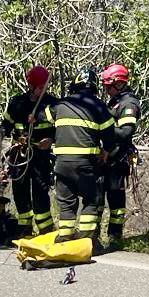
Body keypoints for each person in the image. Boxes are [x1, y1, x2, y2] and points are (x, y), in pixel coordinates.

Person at [51, 67, 115, 250]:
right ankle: (86, 242)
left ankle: (64, 239)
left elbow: (43, 117)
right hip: (86, 164)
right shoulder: (98, 106)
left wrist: (34, 118)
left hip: (62, 163)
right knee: (91, 200)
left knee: (66, 203)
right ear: (95, 87)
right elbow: (110, 135)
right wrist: (107, 150)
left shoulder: (60, 105)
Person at [2, 65, 55, 239]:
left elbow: (60, 128)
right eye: (40, 87)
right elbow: (6, 126)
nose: (43, 90)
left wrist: (51, 140)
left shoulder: (52, 104)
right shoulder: (18, 103)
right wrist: (3, 133)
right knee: (20, 191)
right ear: (31, 86)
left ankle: (45, 230)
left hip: (40, 155)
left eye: (45, 87)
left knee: (40, 191)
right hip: (20, 155)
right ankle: (24, 229)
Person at [99, 63, 141, 250]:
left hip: (117, 159)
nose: (106, 89)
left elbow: (125, 133)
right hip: (104, 158)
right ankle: (93, 235)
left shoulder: (128, 104)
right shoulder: (114, 101)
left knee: (116, 200)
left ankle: (115, 236)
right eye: (105, 86)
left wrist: (102, 129)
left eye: (109, 86)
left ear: (120, 84)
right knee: (98, 198)